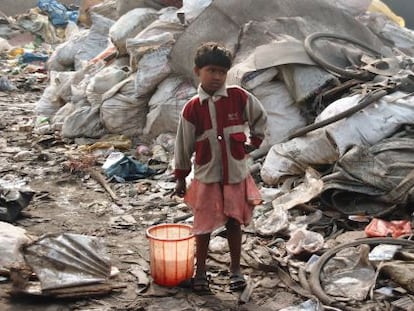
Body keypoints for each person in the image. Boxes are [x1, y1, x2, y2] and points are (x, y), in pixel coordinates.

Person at [173, 42, 268, 293]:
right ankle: (201, 270)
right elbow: (182, 145)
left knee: (234, 222)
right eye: (211, 70)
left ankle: (235, 270)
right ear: (197, 71)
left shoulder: (238, 97)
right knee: (203, 225)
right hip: (206, 176)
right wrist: (181, 177)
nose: (216, 77)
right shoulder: (192, 108)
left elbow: (260, 117)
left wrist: (253, 143)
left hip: (235, 174)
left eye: (221, 72)